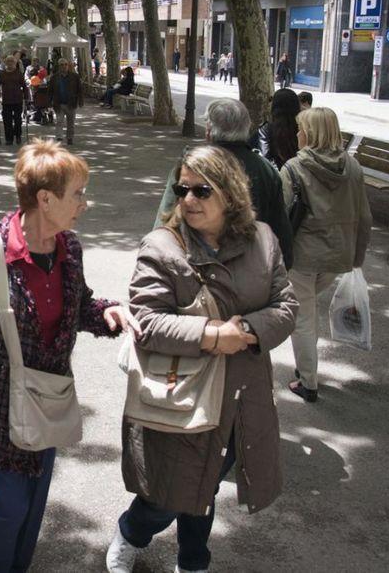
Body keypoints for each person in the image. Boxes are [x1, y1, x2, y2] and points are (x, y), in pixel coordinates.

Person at [0, 140, 139, 572]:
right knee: (13, 504)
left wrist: (108, 312)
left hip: (47, 400)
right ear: (45, 198)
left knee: (35, 497)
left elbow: (78, 306)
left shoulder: (69, 249)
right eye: (77, 193)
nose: (85, 202)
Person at [107, 145, 297, 573]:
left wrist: (245, 332)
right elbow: (147, 322)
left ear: (229, 194)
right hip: (181, 394)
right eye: (182, 189)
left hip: (241, 398)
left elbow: (286, 306)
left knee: (206, 482)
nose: (188, 199)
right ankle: (131, 531)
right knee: (168, 492)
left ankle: (193, 560)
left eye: (201, 190)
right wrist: (214, 335)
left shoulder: (263, 240)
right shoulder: (161, 247)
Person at [280, 107, 372, 403]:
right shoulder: (354, 168)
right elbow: (365, 217)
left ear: (311, 133)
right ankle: (307, 370)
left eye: (301, 129)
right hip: (338, 257)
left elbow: (280, 216)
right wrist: (357, 258)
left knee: (304, 319)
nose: (297, 134)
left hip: (303, 257)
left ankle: (308, 382)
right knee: (309, 313)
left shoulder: (294, 168)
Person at [154, 98, 293, 268]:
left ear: (209, 130)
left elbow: (166, 216)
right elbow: (281, 232)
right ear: (247, 128)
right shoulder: (265, 170)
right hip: (250, 269)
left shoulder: (190, 166)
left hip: (193, 266)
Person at [259, 88, 302, 169]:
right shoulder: (302, 128)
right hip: (299, 174)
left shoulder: (266, 129)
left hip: (276, 176)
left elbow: (266, 158)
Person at [49, 58, 84, 145]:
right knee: (59, 121)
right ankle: (59, 137)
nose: (64, 66)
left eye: (65, 64)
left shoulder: (75, 76)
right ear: (59, 66)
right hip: (59, 103)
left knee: (71, 122)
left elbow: (80, 89)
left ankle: (69, 138)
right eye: (61, 65)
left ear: (68, 66)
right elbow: (50, 91)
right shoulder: (54, 77)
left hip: (71, 103)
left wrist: (81, 101)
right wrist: (48, 103)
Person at [0, 55, 29, 145]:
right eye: (8, 61)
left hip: (17, 100)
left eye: (12, 61)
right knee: (7, 120)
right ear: (6, 63)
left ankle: (18, 136)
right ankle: (9, 138)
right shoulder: (2, 74)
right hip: (6, 101)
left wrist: (26, 97)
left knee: (18, 120)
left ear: (15, 63)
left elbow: (24, 86)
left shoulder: (18, 73)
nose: (10, 63)